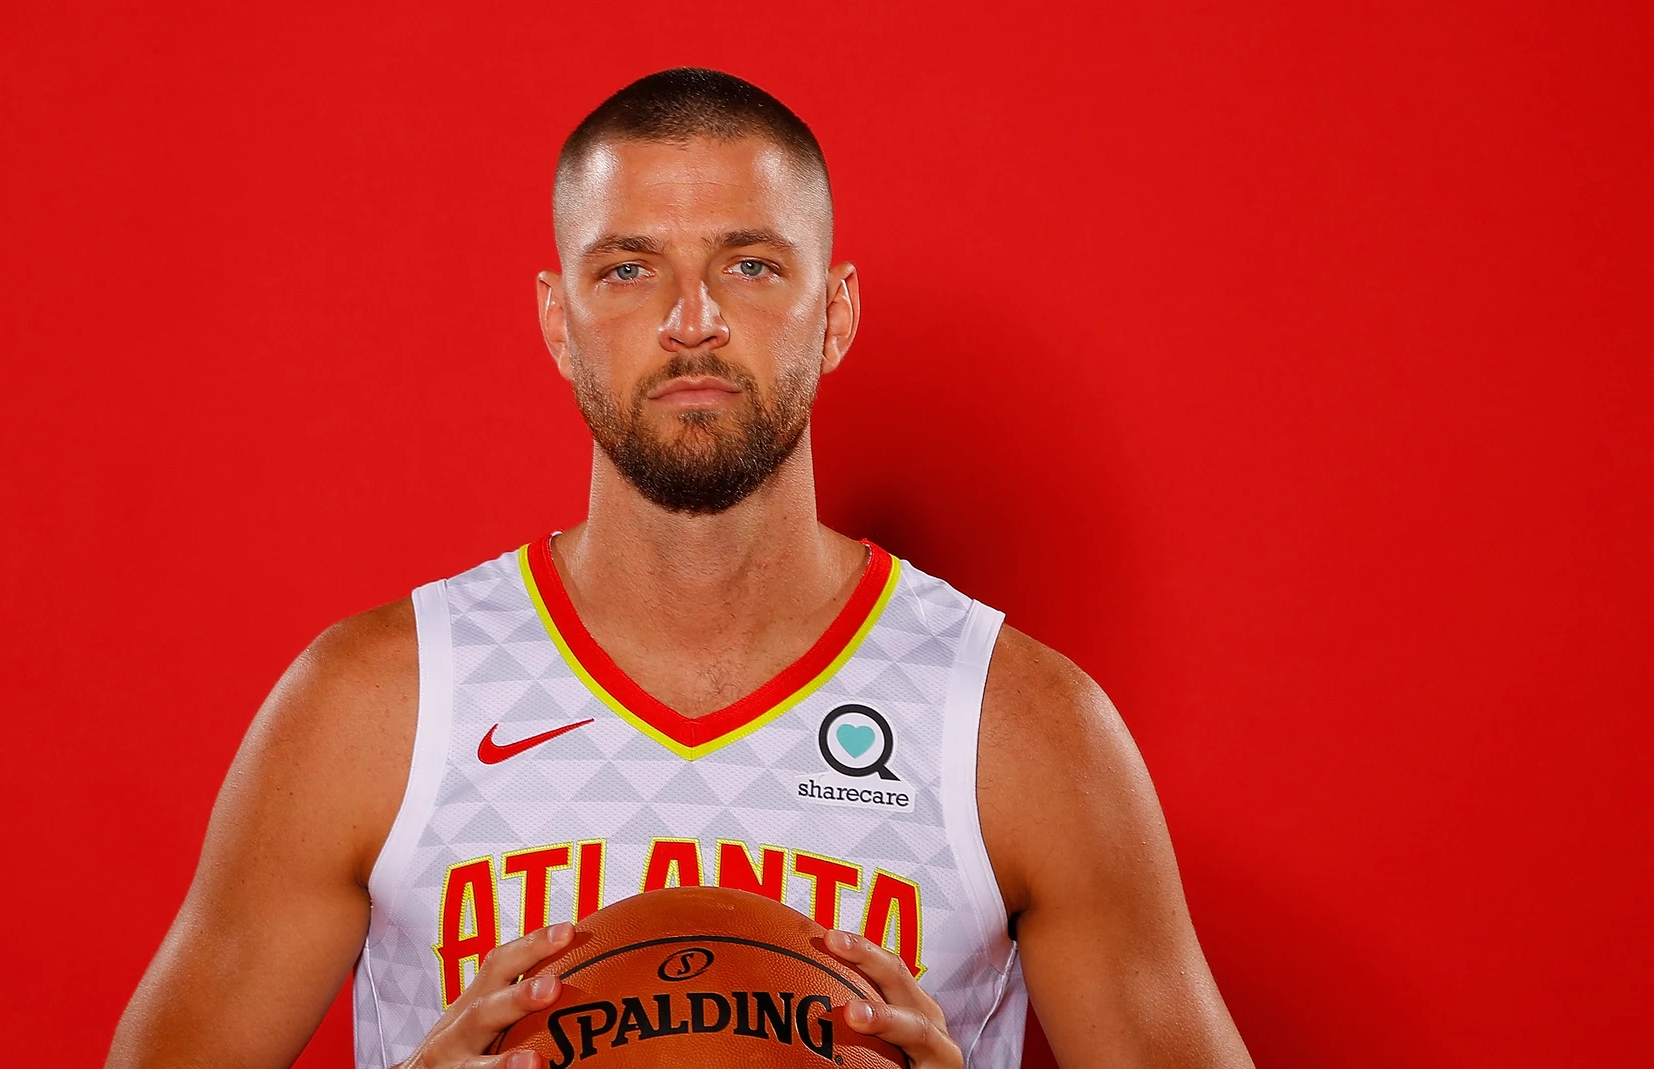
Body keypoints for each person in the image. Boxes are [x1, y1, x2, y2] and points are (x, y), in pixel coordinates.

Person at [107, 68, 1253, 1069]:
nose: (692, 319)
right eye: (628, 270)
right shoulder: (375, 707)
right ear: (559, 322)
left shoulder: (1017, 725)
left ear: (835, 313)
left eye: (751, 266)